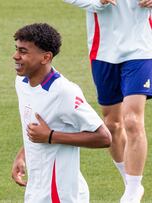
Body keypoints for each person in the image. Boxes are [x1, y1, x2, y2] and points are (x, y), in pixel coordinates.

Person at [11, 23, 112, 203]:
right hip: (36, 190)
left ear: (45, 57)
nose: (15, 56)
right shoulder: (22, 83)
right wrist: (23, 154)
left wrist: (50, 136)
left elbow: (104, 137)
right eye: (16, 49)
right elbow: (36, 128)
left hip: (61, 193)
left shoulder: (64, 92)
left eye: (23, 51)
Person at [63, 0, 152, 202]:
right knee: (112, 124)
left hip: (142, 48)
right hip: (103, 51)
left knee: (132, 120)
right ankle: (129, 181)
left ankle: (132, 190)